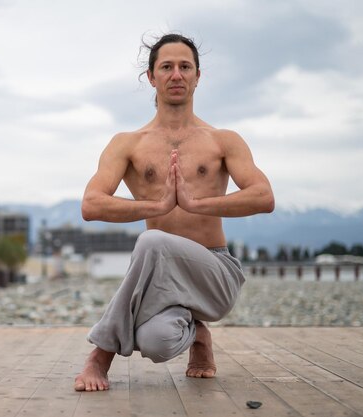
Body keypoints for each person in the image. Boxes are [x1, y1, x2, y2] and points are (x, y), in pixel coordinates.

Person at [74, 33, 274, 392]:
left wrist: (198, 204)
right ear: (151, 77)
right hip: (164, 283)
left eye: (185, 67)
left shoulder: (223, 140)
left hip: (215, 273)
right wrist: (157, 206)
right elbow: (91, 204)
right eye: (167, 67)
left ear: (199, 76)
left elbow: (264, 196)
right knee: (155, 341)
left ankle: (100, 355)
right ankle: (196, 335)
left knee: (151, 241)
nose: (177, 74)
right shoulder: (127, 144)